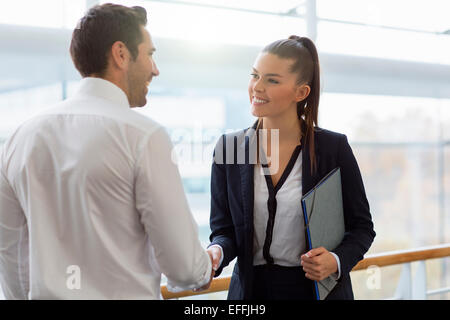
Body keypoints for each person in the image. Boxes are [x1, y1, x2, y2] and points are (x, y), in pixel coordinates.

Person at [0, 4, 213, 299]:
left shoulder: (20, 138)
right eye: (150, 54)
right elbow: (185, 268)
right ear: (121, 54)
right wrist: (204, 267)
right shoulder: (144, 137)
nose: (155, 69)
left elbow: (12, 254)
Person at [206, 36, 376, 300]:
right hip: (251, 292)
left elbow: (362, 227)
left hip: (313, 291)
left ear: (301, 92)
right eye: (255, 75)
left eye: (272, 80)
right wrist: (216, 251)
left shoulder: (333, 148)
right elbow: (224, 231)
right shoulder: (229, 148)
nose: (257, 87)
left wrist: (335, 260)